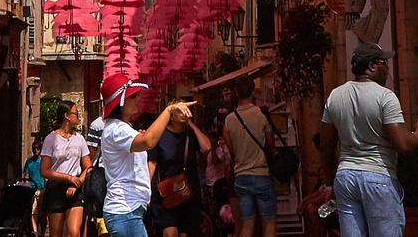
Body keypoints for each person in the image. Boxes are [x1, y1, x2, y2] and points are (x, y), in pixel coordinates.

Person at [313, 46, 418, 237]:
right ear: (372, 66)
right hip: (378, 178)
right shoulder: (385, 97)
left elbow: (326, 147)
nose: (388, 68)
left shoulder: (335, 96)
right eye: (384, 63)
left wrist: (329, 185)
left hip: (346, 178)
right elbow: (404, 144)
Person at [90, 74, 186, 237]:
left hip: (127, 211)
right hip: (125, 212)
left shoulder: (121, 127)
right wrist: (169, 110)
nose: (138, 98)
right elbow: (148, 142)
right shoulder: (117, 129)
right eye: (133, 96)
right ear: (120, 102)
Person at [220, 82, 280, 237]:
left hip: (241, 176)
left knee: (247, 224)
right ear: (253, 92)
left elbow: (231, 148)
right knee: (269, 222)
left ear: (237, 94)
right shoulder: (261, 114)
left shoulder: (229, 120)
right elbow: (270, 142)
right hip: (261, 173)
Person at [145, 98, 211, 237]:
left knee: (185, 234)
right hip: (165, 194)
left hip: (189, 193)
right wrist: (146, 191)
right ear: (171, 116)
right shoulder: (160, 136)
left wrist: (191, 125)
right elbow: (152, 163)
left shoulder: (191, 134)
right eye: (180, 111)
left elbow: (207, 147)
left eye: (186, 111)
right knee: (170, 233)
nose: (184, 114)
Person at [38, 99, 93, 237]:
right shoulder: (51, 139)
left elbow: (88, 167)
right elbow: (44, 170)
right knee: (55, 233)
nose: (78, 117)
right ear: (66, 116)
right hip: (56, 187)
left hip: (75, 186)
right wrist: (67, 177)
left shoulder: (79, 139)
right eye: (75, 113)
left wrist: (78, 181)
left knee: (74, 233)